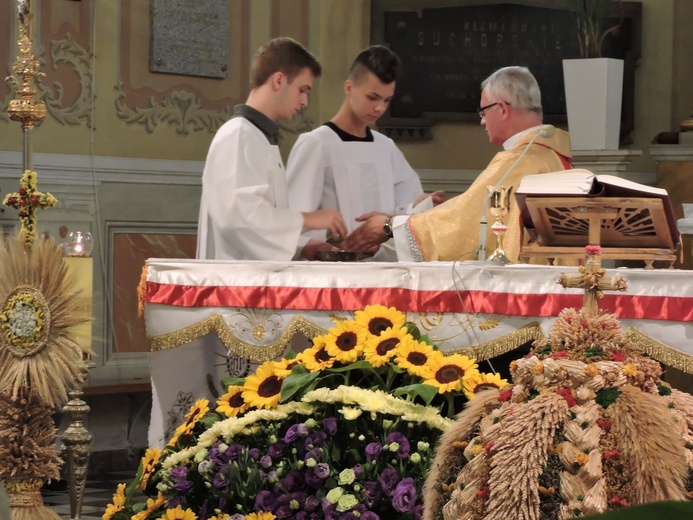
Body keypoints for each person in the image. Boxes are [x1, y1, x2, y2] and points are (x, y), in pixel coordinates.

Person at [343, 66, 572, 262]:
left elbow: (464, 223)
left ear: (502, 109)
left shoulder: (520, 161)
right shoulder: (551, 157)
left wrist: (389, 226)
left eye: (483, 111)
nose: (482, 121)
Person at [285, 45, 444, 260]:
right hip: (330, 273)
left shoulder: (385, 147)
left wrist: (419, 205)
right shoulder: (317, 144)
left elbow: (402, 215)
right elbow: (294, 219)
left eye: (387, 100)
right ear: (349, 87)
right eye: (372, 97)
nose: (379, 108)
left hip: (383, 268)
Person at [196, 37, 347, 261]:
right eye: (302, 89)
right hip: (234, 287)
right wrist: (309, 219)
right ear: (278, 80)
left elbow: (261, 226)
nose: (305, 101)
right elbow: (239, 219)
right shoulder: (239, 135)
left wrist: (303, 246)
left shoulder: (259, 137)